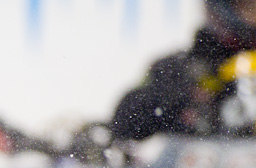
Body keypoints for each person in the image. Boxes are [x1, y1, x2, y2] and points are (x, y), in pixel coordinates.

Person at [110, 0, 256, 140]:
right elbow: (125, 124)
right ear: (223, 8)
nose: (253, 15)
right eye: (248, 5)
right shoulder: (179, 69)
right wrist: (183, 97)